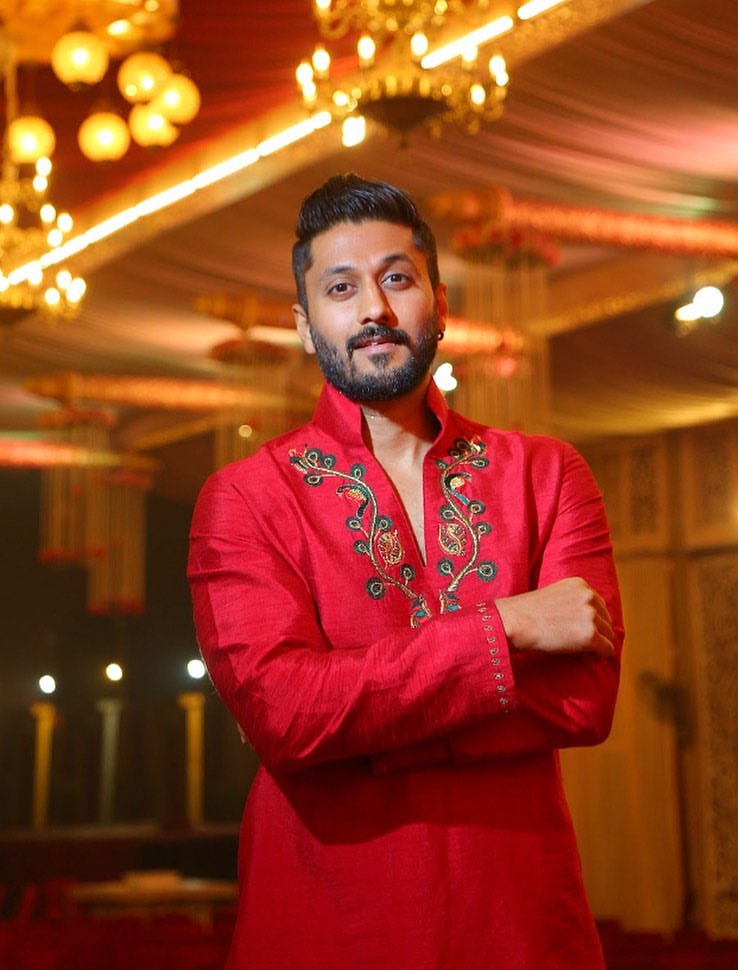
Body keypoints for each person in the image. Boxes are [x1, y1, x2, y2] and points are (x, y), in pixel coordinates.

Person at [188, 173, 624, 969]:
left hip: (524, 930)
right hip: (327, 928)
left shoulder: (548, 474)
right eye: (340, 288)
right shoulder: (245, 498)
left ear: (440, 302)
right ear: (304, 322)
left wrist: (357, 733)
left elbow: (583, 703)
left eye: (397, 279)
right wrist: (507, 628)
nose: (374, 311)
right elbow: (286, 721)